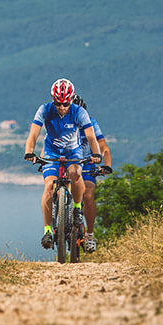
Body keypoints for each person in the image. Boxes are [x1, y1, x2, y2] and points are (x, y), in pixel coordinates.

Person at [24, 78, 102, 250]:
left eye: (65, 104)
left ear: (71, 100)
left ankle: (76, 208)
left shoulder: (79, 112)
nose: (62, 107)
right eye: (58, 103)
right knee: (49, 187)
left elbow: (90, 136)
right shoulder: (44, 109)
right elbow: (34, 133)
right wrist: (29, 151)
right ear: (53, 99)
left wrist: (96, 154)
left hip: (73, 151)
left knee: (75, 174)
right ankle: (48, 231)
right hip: (51, 150)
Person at [72, 95, 113, 253]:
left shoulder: (91, 124)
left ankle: (89, 234)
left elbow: (103, 147)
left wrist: (106, 165)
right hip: (69, 164)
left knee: (88, 195)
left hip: (88, 165)